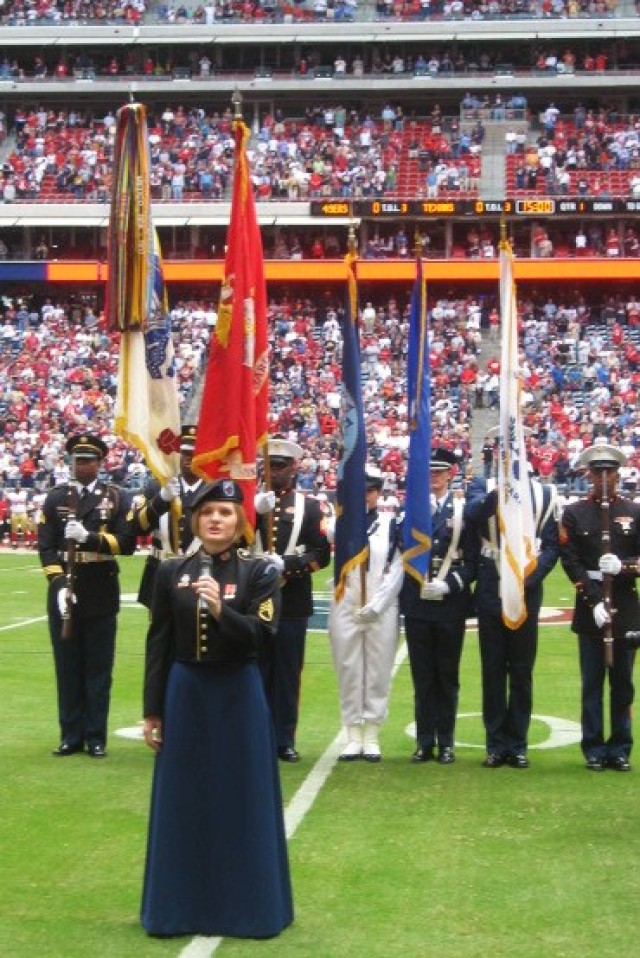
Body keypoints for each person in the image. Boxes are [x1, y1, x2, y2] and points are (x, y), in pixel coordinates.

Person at [140, 479, 293, 938]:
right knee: (184, 797)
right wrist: (153, 711)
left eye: (225, 513)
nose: (215, 520)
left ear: (240, 521)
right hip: (185, 691)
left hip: (237, 691)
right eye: (206, 512)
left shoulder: (260, 571)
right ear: (193, 519)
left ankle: (250, 908)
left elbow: (264, 638)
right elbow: (159, 645)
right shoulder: (171, 571)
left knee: (241, 794)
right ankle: (177, 908)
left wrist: (221, 611)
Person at [37, 433, 136, 758]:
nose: (83, 466)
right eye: (78, 460)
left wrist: (90, 537)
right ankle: (70, 735)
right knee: (67, 666)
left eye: (89, 460)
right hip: (65, 591)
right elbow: (46, 546)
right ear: (71, 462)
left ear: (100, 463)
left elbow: (126, 543)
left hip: (99, 590)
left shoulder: (116, 497)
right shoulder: (56, 498)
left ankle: (95, 736)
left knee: (98, 668)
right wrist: (58, 584)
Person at [465, 473, 560, 768]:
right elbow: (473, 515)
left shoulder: (543, 493)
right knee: (492, 670)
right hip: (492, 585)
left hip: (525, 590)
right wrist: (498, 493)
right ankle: (495, 744)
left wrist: (529, 578)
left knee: (521, 672)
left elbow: (552, 545)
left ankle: (517, 744)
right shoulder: (483, 487)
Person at [560, 441, 640, 772]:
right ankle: (593, 747)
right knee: (591, 683)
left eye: (610, 472)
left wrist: (623, 566)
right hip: (590, 605)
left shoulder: (634, 512)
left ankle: (620, 747)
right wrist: (592, 599)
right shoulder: (574, 513)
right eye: (598, 472)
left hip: (624, 603)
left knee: (622, 683)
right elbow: (570, 559)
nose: (604, 477)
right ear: (589, 475)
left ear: (618, 474)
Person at [255, 436, 331, 762]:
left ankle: (284, 738)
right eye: (270, 466)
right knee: (255, 670)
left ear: (294, 468)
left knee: (287, 673)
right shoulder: (251, 504)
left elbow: (321, 555)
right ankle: (255, 736)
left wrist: (288, 565)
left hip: (292, 600)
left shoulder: (310, 507)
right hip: (254, 600)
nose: (275, 473)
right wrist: (254, 512)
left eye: (281, 467)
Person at [400, 448, 477, 764]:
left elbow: (472, 561)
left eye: (439, 472)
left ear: (451, 473)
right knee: (422, 676)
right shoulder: (413, 511)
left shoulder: (463, 512)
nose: (433, 477)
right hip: (418, 603)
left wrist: (451, 583)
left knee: (447, 675)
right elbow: (400, 549)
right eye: (429, 472)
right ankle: (424, 742)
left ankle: (446, 741)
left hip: (449, 604)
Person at [328, 465, 402, 762]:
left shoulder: (391, 524)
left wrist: (380, 603)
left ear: (379, 492)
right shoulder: (341, 523)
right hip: (346, 598)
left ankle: (371, 733)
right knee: (348, 667)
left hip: (379, 600)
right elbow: (333, 534)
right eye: (359, 491)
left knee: (378, 669)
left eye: (370, 491)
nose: (365, 496)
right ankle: (352, 733)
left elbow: (398, 566)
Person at [130, 425, 206, 608]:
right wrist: (161, 500)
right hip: (160, 572)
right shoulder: (157, 487)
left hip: (201, 572)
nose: (189, 459)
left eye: (194, 454)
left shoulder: (213, 489)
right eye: (185, 453)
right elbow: (136, 526)